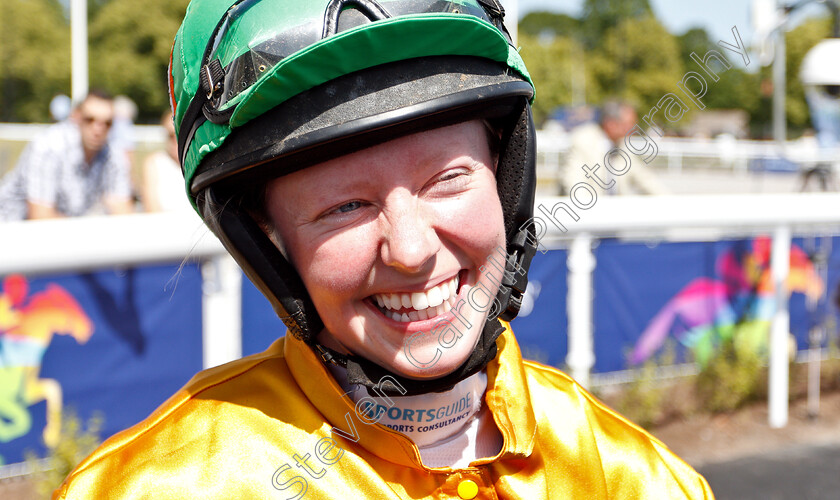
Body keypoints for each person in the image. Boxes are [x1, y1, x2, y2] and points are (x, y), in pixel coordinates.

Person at [55, 1, 712, 499]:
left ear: (504, 175)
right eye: (345, 206)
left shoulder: (639, 479)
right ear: (267, 238)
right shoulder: (153, 487)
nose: (411, 249)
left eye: (448, 179)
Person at [0, 90, 133, 220]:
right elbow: (40, 218)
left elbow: (122, 212)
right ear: (76, 117)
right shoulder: (49, 147)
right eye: (90, 120)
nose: (98, 128)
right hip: (11, 229)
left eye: (107, 123)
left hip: (66, 233)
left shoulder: (112, 154)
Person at [560, 99, 669, 196]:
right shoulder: (583, 141)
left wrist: (671, 202)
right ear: (611, 124)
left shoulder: (623, 146)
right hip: (589, 213)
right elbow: (575, 184)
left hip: (616, 214)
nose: (634, 128)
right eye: (629, 124)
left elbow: (646, 179)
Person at [141, 112, 193, 212]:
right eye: (170, 135)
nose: (175, 140)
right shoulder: (154, 163)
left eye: (179, 134)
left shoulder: (198, 163)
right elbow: (151, 206)